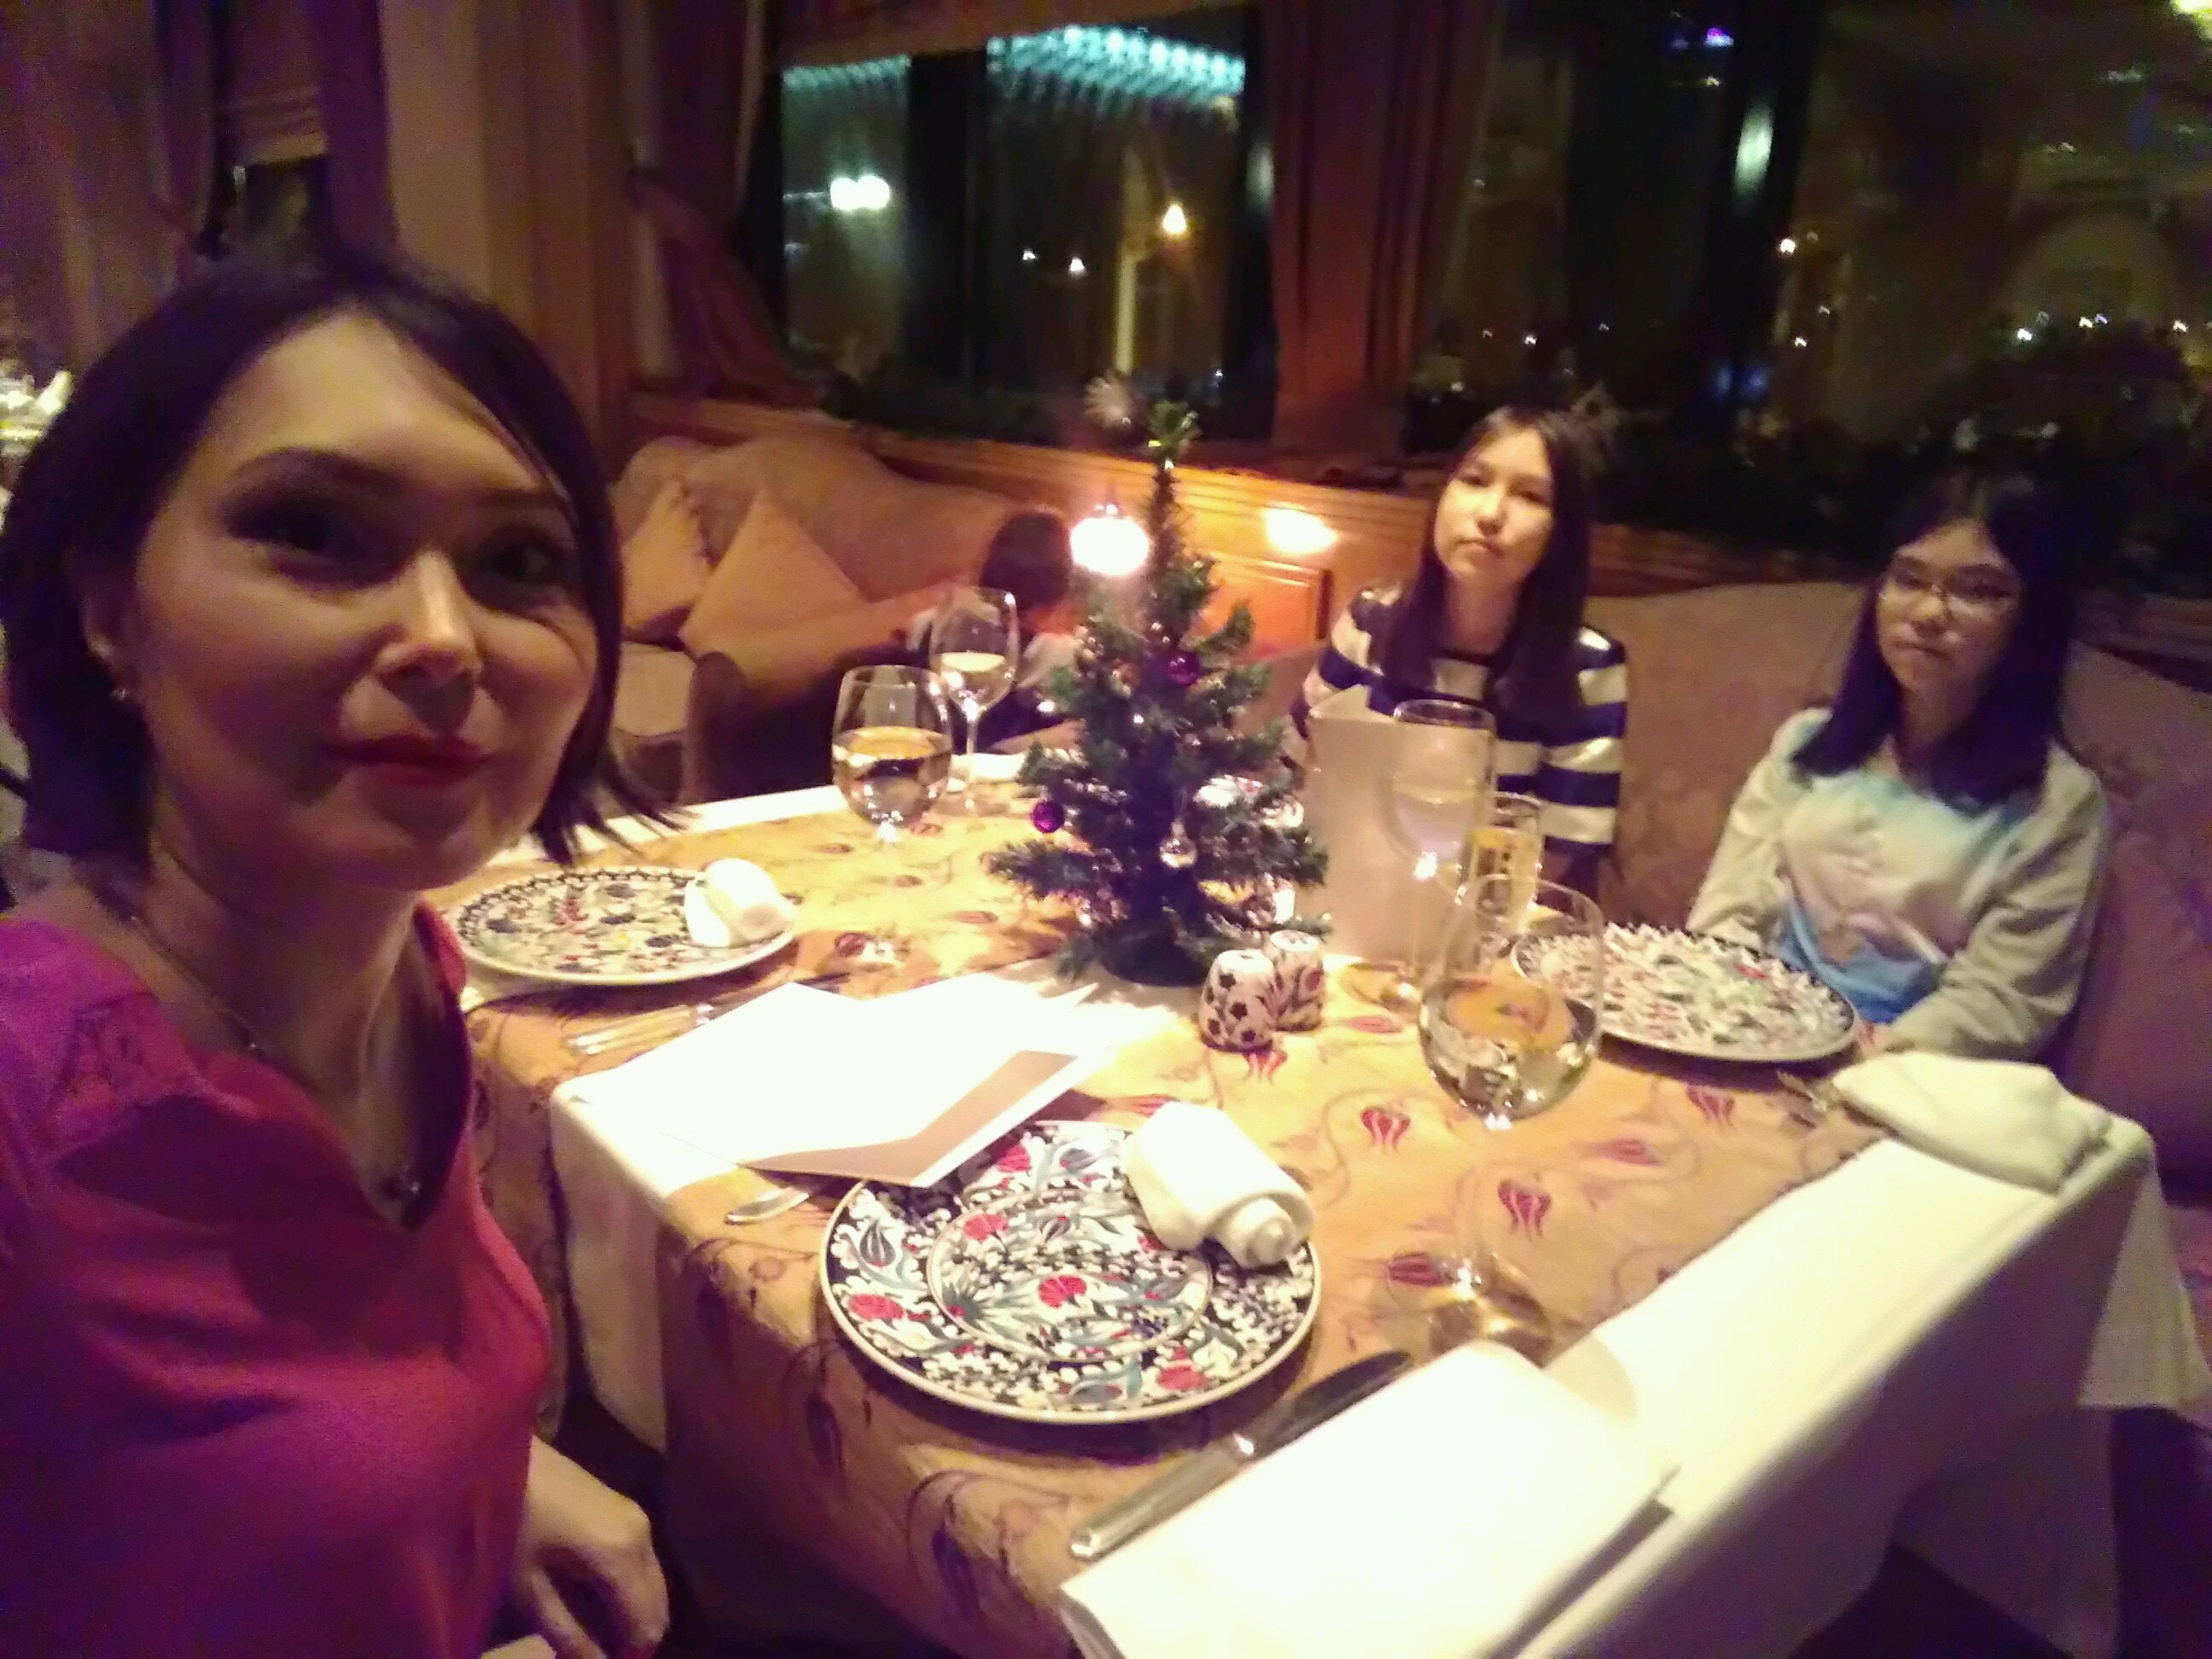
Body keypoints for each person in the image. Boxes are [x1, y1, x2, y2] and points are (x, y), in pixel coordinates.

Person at [0, 243, 671, 1657]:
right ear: (109, 608)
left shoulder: (417, 981)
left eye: (518, 562)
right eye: (313, 531)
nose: (442, 638)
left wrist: (491, 1471)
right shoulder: (25, 1125)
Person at [1689, 470, 2109, 1058]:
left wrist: (1862, 1058)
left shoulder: (2056, 801)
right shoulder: (1809, 743)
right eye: (1909, 579)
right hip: (1750, 1035)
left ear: (2031, 618)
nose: (1930, 612)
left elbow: (2002, 1001)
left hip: (1913, 1073)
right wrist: (1744, 1024)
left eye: (1978, 591)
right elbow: (1727, 911)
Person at [1292, 405, 1627, 888]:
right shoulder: (1371, 621)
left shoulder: (1587, 667)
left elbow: (1555, 855)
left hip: (1486, 911)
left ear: (1561, 535)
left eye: (1530, 496)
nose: (1490, 514)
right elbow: (1300, 762)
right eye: (1474, 480)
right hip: (1351, 890)